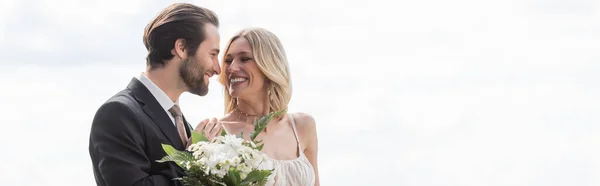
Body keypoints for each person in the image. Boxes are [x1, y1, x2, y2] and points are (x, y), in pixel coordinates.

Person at [88, 3, 223, 186]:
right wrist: (193, 158)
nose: (217, 68)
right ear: (181, 48)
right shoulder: (118, 113)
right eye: (212, 54)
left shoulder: (180, 121)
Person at [215, 27, 320, 186]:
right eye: (228, 61)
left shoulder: (302, 126)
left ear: (269, 65)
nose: (231, 68)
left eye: (244, 59)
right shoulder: (215, 132)